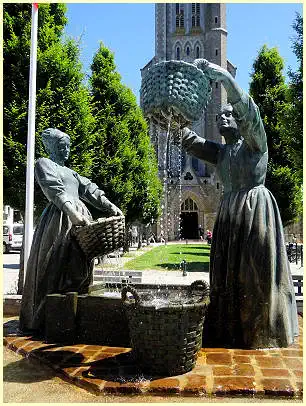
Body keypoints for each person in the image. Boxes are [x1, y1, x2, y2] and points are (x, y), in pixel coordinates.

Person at [174, 59, 298, 348]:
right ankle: (230, 330)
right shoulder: (221, 152)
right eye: (219, 117)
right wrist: (173, 114)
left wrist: (226, 81)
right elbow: (191, 142)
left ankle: (264, 333)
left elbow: (251, 116)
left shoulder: (255, 143)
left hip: (256, 212)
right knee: (226, 275)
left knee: (258, 274)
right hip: (230, 213)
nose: (222, 119)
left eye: (228, 115)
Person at [19, 128, 123, 335]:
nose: (66, 150)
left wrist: (110, 205)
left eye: (67, 146)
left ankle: (74, 314)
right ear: (51, 147)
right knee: (55, 265)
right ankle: (47, 318)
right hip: (60, 221)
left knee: (81, 268)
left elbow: (90, 190)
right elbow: (53, 190)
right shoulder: (44, 164)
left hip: (81, 222)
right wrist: (72, 212)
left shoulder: (72, 173)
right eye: (61, 146)